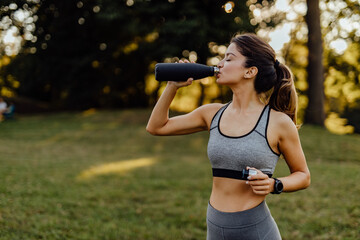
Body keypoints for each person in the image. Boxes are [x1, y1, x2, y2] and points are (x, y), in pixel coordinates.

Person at [146, 33, 310, 240]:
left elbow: (303, 175)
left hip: (256, 231)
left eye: (229, 58)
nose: (220, 64)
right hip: (215, 228)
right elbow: (156, 127)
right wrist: (172, 87)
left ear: (250, 71)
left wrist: (275, 184)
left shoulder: (278, 122)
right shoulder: (212, 113)